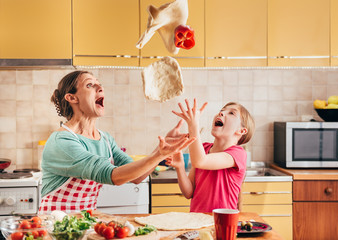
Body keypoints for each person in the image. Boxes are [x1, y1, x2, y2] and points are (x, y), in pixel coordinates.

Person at [38, 70, 195, 214]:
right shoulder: (62, 141)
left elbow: (137, 177)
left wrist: (162, 147)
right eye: (90, 84)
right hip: (56, 225)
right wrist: (159, 154)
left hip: (85, 223)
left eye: (99, 83)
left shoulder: (105, 139)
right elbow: (113, 176)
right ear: (72, 98)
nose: (100, 87)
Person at [166, 99, 255, 212]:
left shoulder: (238, 154)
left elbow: (200, 161)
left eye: (231, 113)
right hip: (196, 221)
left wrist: (193, 125)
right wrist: (180, 167)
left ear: (242, 131)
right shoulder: (203, 149)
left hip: (221, 223)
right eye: (221, 110)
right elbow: (189, 192)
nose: (221, 113)